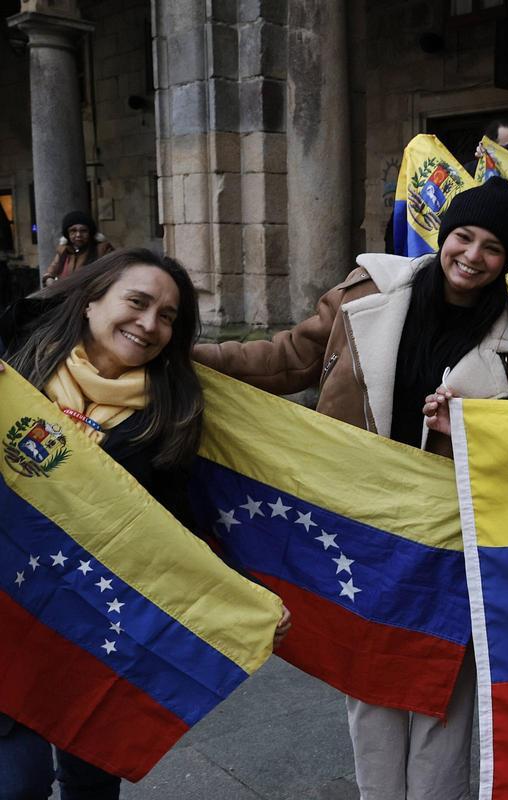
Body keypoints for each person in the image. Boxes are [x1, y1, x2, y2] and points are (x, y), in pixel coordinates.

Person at [194, 177, 508, 800]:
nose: (473, 255)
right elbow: (287, 358)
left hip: (447, 540)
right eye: (464, 237)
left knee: (443, 686)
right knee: (370, 681)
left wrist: (468, 426)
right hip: (361, 524)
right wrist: (190, 359)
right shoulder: (367, 292)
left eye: (493, 247)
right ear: (444, 235)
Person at [0, 248, 290, 800]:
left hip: (93, 620)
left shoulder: (169, 414)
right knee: (18, 783)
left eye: (167, 316)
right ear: (90, 302)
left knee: (90, 782)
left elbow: (171, 528)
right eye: (137, 302)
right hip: (9, 606)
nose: (149, 323)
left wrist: (243, 600)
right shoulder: (14, 362)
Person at [43, 211, 115, 286]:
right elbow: (51, 270)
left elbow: (113, 273)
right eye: (73, 231)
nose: (78, 235)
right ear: (67, 234)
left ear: (90, 233)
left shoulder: (102, 250)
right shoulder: (63, 251)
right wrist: (49, 279)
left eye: (83, 231)